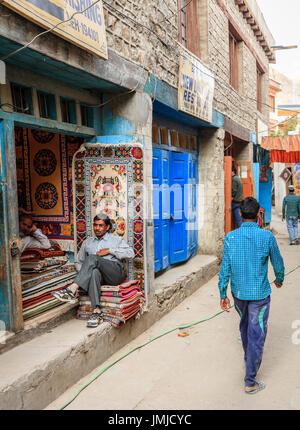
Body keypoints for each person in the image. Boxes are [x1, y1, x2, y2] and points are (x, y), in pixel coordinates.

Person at [218, 197, 285, 394]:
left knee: (246, 325)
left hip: (238, 295)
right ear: (258, 215)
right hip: (260, 295)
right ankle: (250, 381)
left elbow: (224, 269)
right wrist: (279, 279)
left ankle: (249, 358)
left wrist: (223, 293)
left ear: (240, 214)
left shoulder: (231, 237)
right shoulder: (267, 237)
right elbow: (278, 263)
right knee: (257, 333)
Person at [52, 213, 135, 328]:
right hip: (99, 276)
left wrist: (110, 250)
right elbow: (79, 262)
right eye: (95, 225)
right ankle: (96, 311)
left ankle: (72, 289)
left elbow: (131, 254)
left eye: (101, 225)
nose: (97, 228)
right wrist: (86, 273)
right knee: (94, 271)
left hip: (115, 273)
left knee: (92, 258)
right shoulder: (88, 242)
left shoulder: (116, 240)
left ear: (107, 227)